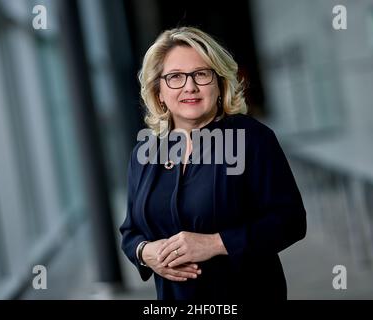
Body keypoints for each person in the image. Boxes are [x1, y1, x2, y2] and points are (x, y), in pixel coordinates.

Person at [119, 26, 307, 301]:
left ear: (219, 83)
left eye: (201, 74)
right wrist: (145, 253)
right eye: (175, 77)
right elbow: (130, 230)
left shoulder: (252, 139)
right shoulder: (145, 151)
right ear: (158, 92)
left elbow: (290, 222)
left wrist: (216, 243)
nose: (190, 86)